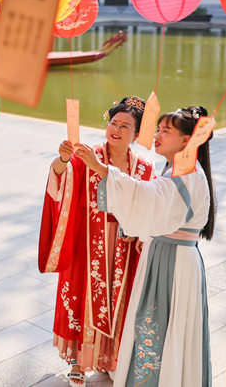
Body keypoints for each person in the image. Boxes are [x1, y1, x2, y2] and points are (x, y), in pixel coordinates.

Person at [74, 106, 215, 387]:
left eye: (166, 131)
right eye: (159, 128)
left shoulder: (184, 171)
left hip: (172, 261)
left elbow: (147, 196)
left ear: (186, 141)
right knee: (162, 328)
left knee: (161, 327)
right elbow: (157, 205)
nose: (158, 135)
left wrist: (101, 169)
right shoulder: (180, 168)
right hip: (169, 254)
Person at [39, 96, 155, 385]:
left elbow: (147, 205)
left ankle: (110, 358)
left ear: (137, 134)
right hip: (88, 240)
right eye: (113, 123)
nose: (116, 129)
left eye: (125, 126)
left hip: (124, 243)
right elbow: (60, 182)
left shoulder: (144, 168)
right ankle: (79, 361)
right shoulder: (87, 154)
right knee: (83, 297)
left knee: (120, 301)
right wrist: (63, 160)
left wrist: (140, 232)